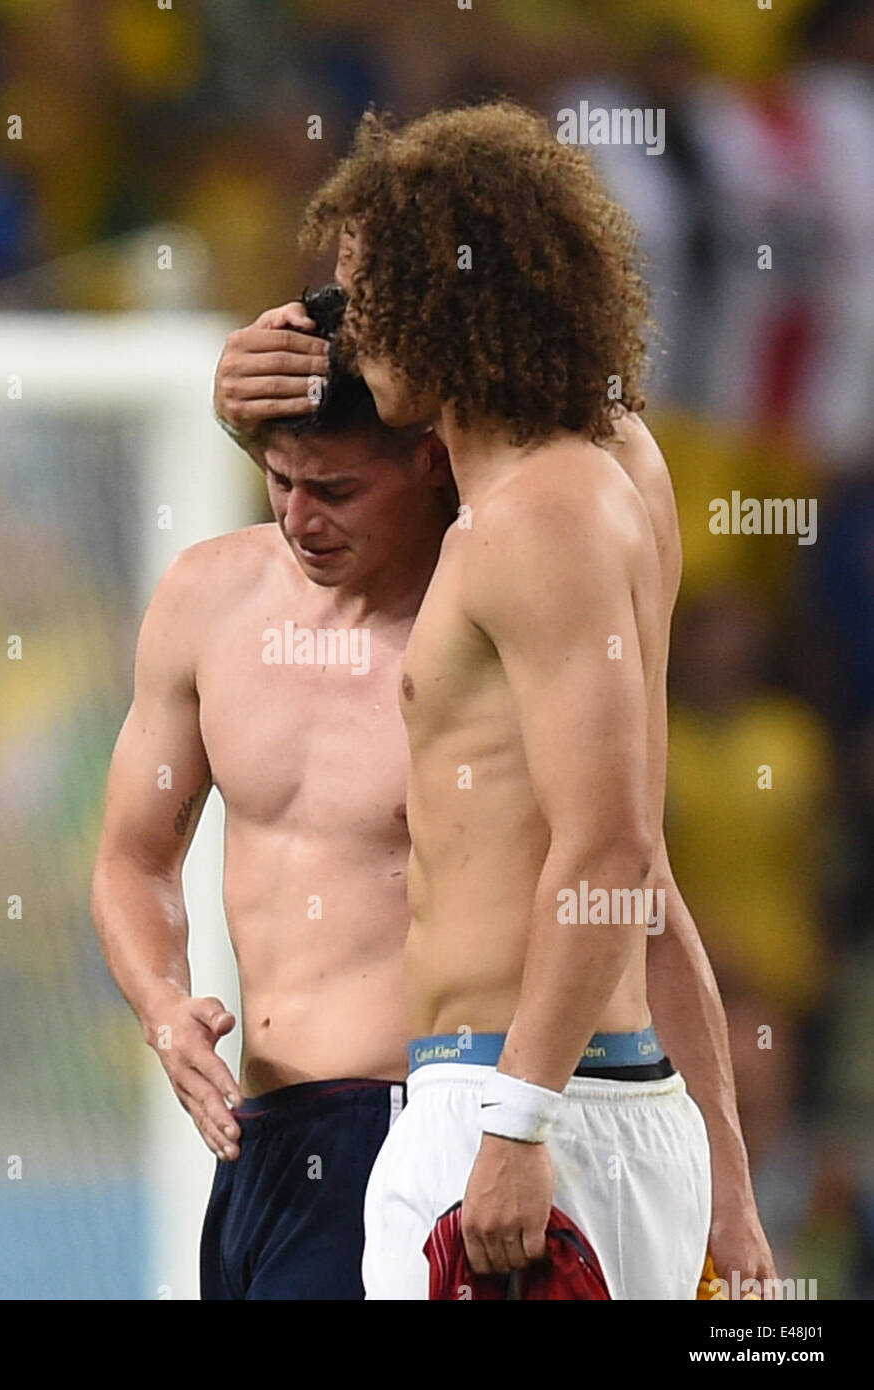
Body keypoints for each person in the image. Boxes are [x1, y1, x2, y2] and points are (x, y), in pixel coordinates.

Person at [300, 98, 776, 1298]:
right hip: (602, 1099)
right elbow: (642, 869)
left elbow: (608, 846)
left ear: (446, 299)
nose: (346, 334)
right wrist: (724, 1169)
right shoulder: (614, 465)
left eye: (364, 297)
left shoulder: (533, 520)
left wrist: (513, 1126)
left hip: (511, 1110)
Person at [90, 284, 454, 1299]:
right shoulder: (207, 595)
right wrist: (163, 1005)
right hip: (255, 1142)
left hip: (418, 1127)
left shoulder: (490, 614)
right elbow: (132, 855)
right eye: (275, 479)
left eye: (333, 489)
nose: (297, 517)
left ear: (431, 460)